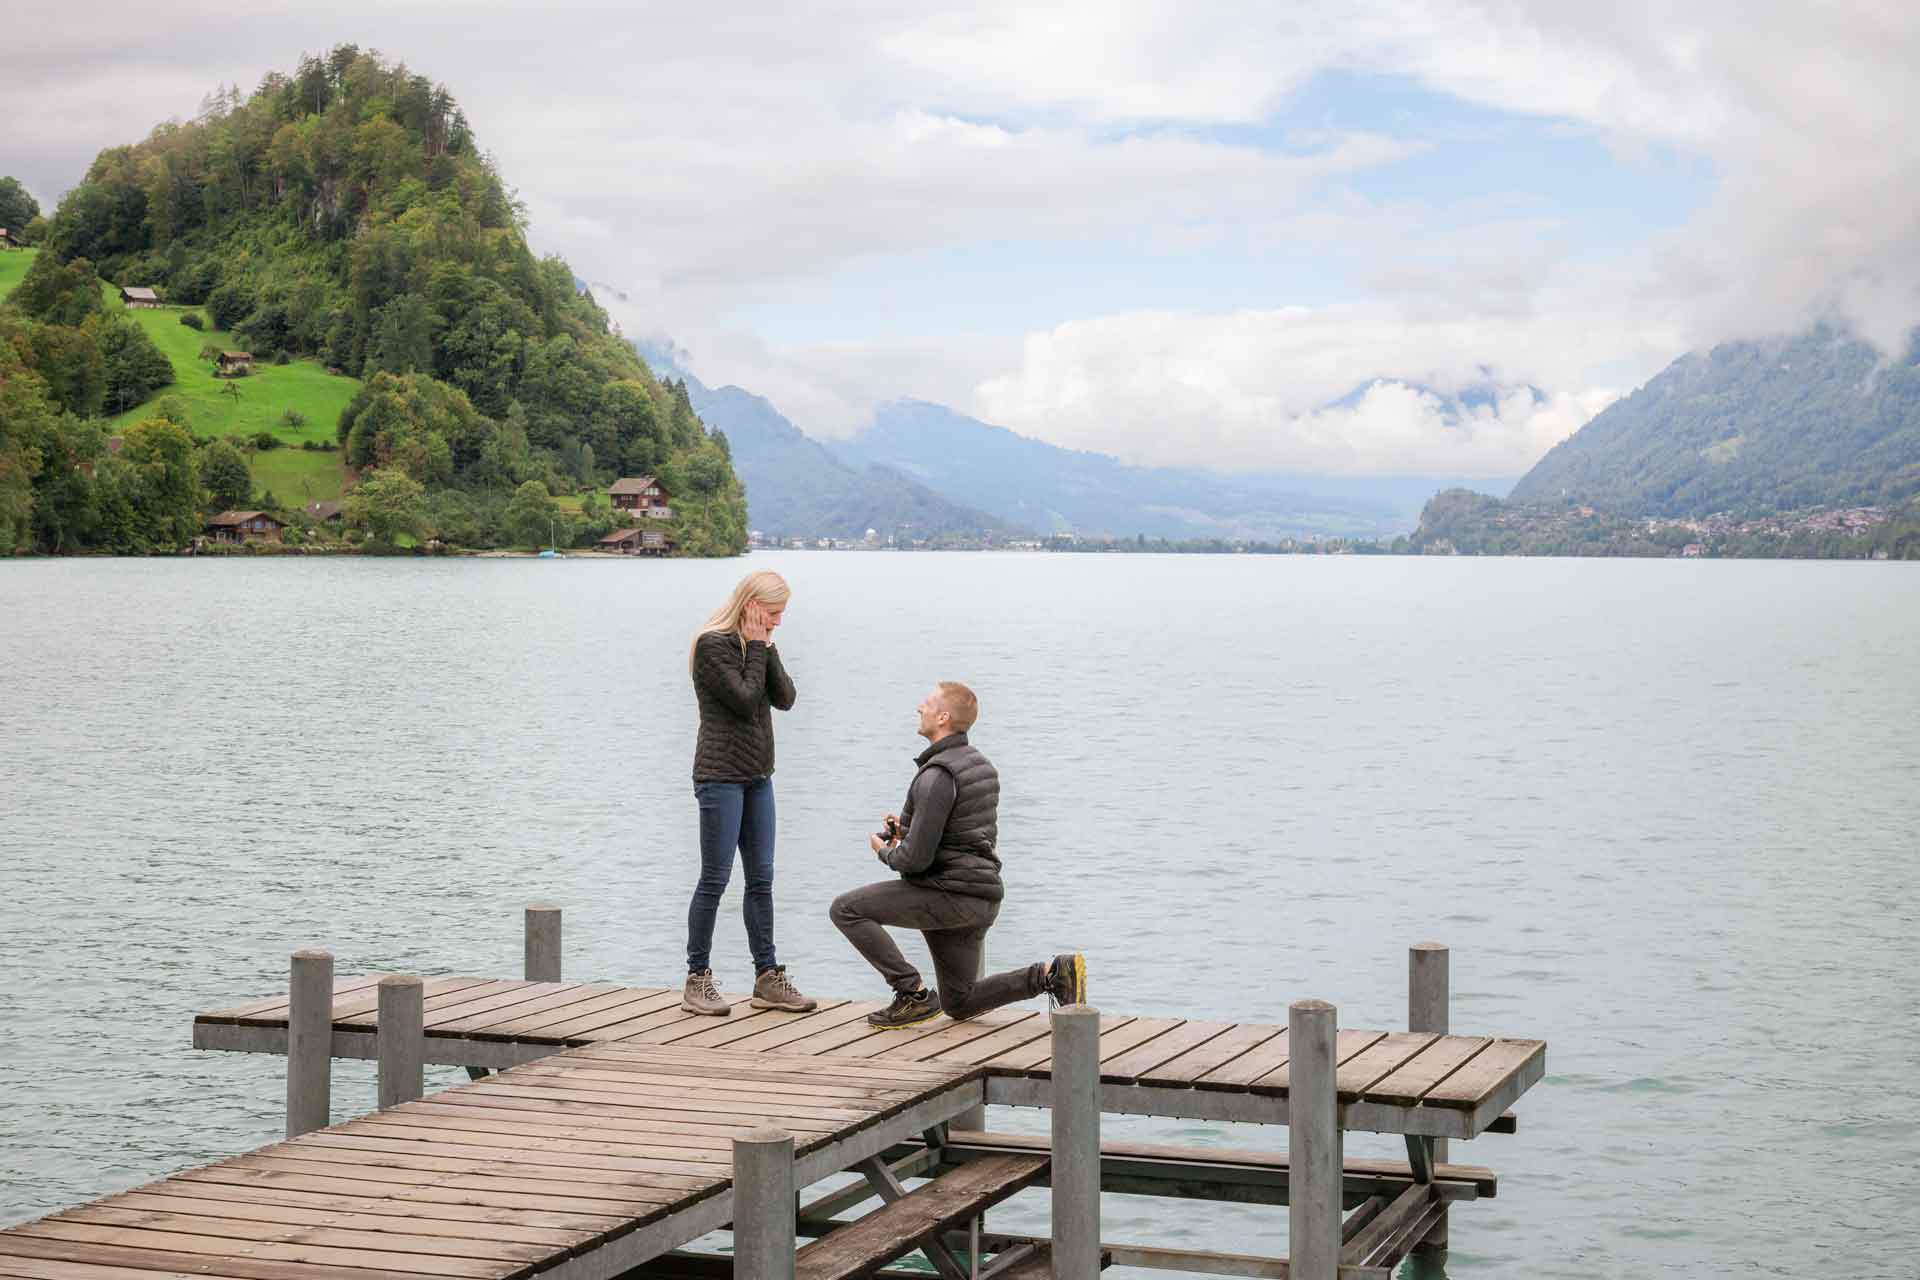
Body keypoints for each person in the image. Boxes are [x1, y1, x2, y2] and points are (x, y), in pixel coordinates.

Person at [830, 681, 1086, 1029]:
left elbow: (914, 861)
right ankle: (1050, 975)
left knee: (845, 909)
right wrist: (907, 830)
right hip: (979, 899)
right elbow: (957, 834)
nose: (920, 707)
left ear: (943, 717)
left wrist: (885, 851)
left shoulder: (937, 775)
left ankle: (912, 994)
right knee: (959, 1002)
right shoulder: (978, 764)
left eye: (928, 703)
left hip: (947, 896)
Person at [681, 570, 816, 1017]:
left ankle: (767, 977)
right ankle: (697, 979)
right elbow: (743, 699)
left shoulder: (760, 645)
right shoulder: (712, 645)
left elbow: (786, 697)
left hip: (759, 777)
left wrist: (768, 646)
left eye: (781, 615)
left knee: (761, 880)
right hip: (720, 778)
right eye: (773, 614)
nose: (778, 621)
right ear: (751, 605)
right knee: (715, 879)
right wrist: (757, 645)